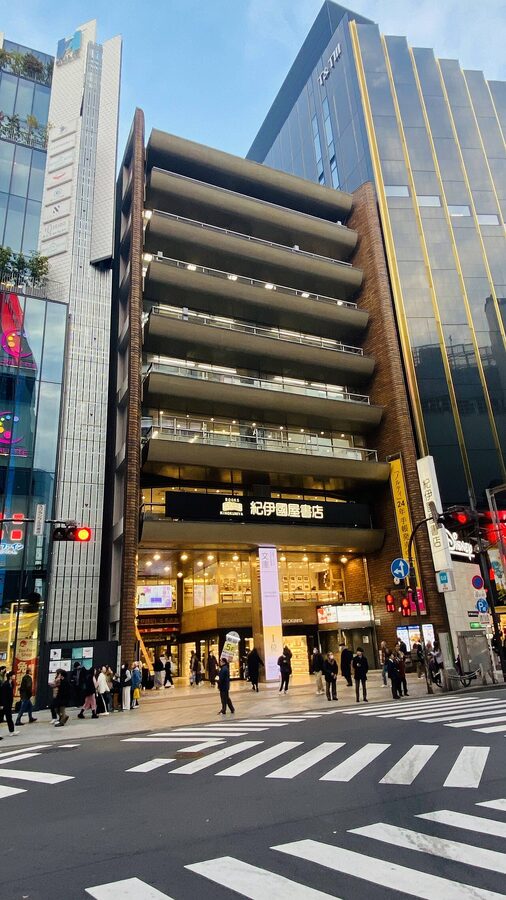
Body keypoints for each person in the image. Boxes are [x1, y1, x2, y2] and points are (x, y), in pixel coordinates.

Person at [0, 671, 18, 736]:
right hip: (4, 704)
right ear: (10, 676)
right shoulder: (5, 684)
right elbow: (2, 695)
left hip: (9, 704)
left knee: (9, 717)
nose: (14, 676)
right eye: (13, 675)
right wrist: (1, 704)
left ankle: (12, 731)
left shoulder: (12, 683)